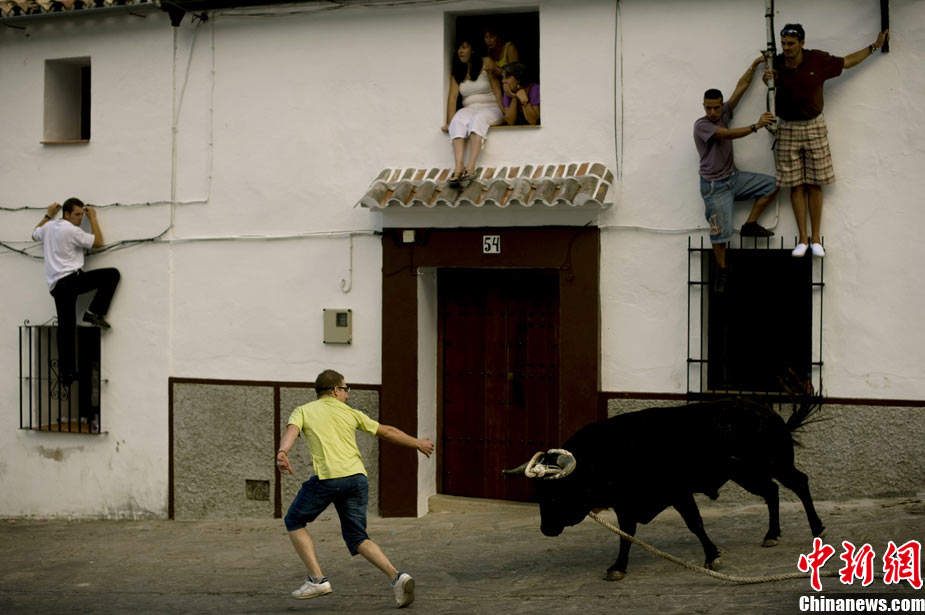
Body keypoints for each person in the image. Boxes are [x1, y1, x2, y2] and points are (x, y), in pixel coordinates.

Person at [276, 369, 435, 608]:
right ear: (335, 390)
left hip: (329, 479)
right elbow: (387, 432)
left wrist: (282, 452)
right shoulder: (350, 413)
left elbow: (292, 431)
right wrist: (417, 443)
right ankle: (397, 577)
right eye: (346, 389)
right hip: (357, 479)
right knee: (358, 536)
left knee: (294, 521)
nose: (348, 395)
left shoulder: (304, 411)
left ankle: (317, 580)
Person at [766, 23, 889, 258]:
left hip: (814, 125)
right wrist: (767, 79)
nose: (786, 48)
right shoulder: (777, 63)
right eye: (783, 44)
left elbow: (847, 61)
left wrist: (873, 47)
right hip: (787, 127)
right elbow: (769, 82)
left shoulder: (817, 59)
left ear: (802, 43)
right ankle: (802, 239)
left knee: (815, 182)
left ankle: (815, 239)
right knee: (795, 185)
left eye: (791, 44)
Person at [693, 57, 779, 293]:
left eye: (716, 107)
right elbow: (727, 135)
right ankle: (721, 271)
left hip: (733, 179)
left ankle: (750, 224)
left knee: (773, 184)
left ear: (721, 105)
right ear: (703, 106)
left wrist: (755, 65)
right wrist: (756, 126)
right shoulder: (702, 126)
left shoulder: (725, 113)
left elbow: (741, 87)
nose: (713, 112)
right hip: (715, 187)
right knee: (720, 234)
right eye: (708, 107)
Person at [32, 198, 120, 386]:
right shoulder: (71, 230)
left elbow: (34, 234)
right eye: (77, 214)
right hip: (70, 280)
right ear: (66, 214)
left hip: (56, 286)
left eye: (82, 214)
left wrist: (48, 215)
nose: (80, 218)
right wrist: (93, 218)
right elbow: (98, 242)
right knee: (112, 275)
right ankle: (93, 312)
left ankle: (67, 374)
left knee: (66, 328)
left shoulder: (49, 227)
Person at [441, 37, 503, 188]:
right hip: (470, 109)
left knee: (478, 119)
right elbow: (452, 98)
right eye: (459, 48)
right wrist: (450, 122)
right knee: (458, 120)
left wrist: (505, 112)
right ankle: (458, 167)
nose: (460, 51)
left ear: (473, 49)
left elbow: (496, 90)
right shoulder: (457, 70)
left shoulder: (485, 62)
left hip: (491, 108)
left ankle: (471, 166)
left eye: (464, 47)